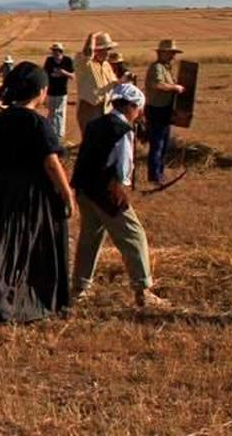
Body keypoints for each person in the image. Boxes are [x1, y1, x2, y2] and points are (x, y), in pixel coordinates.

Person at [0, 62, 74, 323]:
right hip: (34, 195)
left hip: (3, 193)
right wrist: (67, 193)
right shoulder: (37, 123)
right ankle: (23, 299)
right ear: (41, 91)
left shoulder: (3, 119)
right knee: (29, 248)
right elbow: (51, 163)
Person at [71, 84, 169, 308]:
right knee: (134, 236)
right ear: (131, 106)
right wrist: (122, 188)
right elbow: (123, 169)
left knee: (90, 238)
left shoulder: (95, 124)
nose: (139, 113)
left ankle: (79, 288)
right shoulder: (122, 130)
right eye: (138, 108)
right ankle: (143, 291)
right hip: (105, 191)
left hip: (83, 189)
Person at [145, 39, 186, 186]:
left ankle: (159, 174)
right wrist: (175, 88)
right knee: (157, 144)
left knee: (163, 143)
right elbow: (157, 85)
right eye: (170, 53)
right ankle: (155, 176)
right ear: (161, 53)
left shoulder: (165, 67)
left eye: (173, 53)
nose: (173, 56)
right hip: (157, 109)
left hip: (164, 109)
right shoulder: (157, 68)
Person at [75, 31, 122, 136]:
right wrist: (92, 37)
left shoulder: (106, 65)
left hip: (106, 108)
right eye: (107, 49)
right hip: (90, 109)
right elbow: (87, 53)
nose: (109, 52)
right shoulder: (84, 63)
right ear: (97, 50)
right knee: (91, 141)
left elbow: (113, 83)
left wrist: (123, 81)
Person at [42, 43, 75, 142]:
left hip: (62, 91)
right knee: (51, 112)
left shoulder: (67, 60)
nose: (54, 52)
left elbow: (72, 76)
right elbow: (45, 73)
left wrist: (63, 73)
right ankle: (50, 133)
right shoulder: (49, 60)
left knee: (59, 113)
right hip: (51, 91)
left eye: (56, 50)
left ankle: (60, 135)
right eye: (53, 50)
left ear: (61, 51)